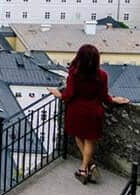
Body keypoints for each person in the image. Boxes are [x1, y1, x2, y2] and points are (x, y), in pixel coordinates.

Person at [48, 44, 130, 184]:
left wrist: (58, 94)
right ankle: (88, 166)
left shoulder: (74, 74)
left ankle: (83, 169)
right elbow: (104, 97)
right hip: (94, 112)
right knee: (90, 140)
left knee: (78, 136)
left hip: (76, 111)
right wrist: (113, 100)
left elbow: (69, 95)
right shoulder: (102, 75)